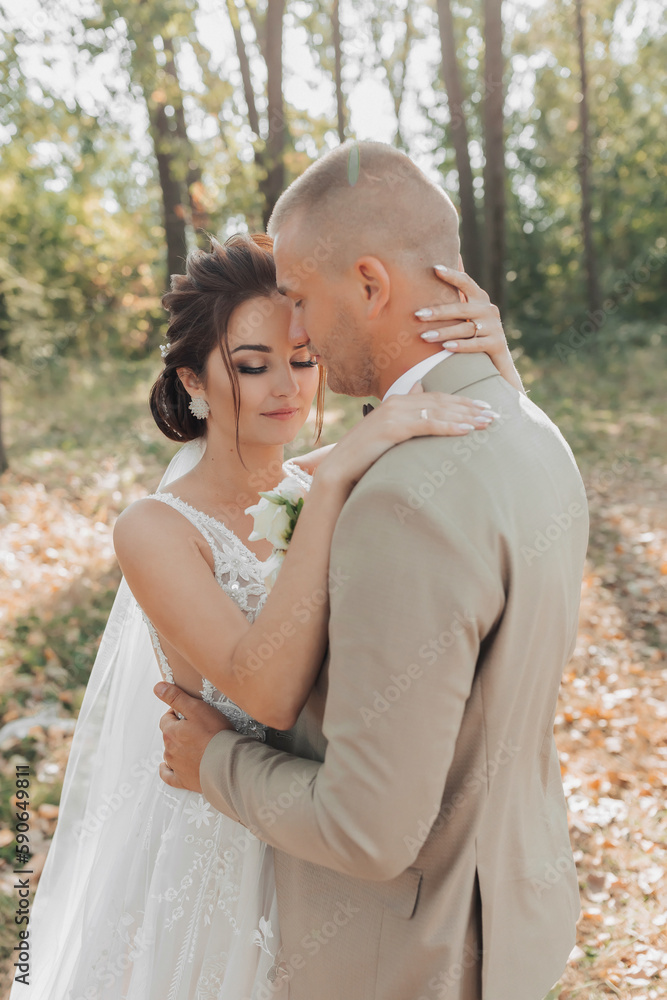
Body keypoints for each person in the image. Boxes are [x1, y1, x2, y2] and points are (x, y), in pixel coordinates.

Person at [16, 226, 516, 1000]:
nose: (288, 387)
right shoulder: (153, 528)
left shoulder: (329, 476)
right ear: (192, 381)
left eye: (304, 360)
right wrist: (340, 470)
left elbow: (484, 456)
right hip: (213, 838)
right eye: (252, 367)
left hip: (317, 827)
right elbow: (266, 689)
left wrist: (494, 362)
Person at [157, 141, 589, 1000]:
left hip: (408, 958)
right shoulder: (530, 425)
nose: (299, 333)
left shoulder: (402, 500)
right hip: (512, 921)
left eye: (304, 301)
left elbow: (366, 830)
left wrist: (212, 762)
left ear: (370, 284)